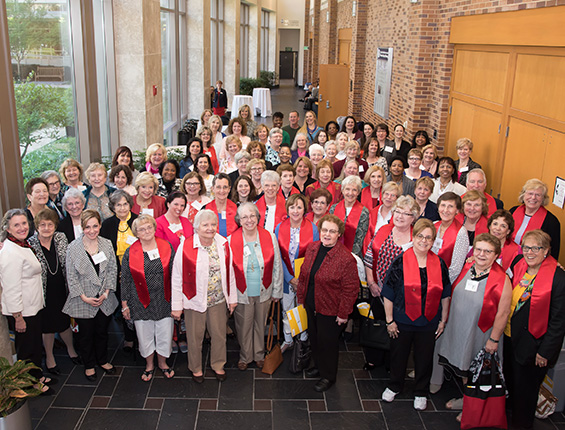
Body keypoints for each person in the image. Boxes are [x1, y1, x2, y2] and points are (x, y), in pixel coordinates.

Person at [436, 233, 512, 422]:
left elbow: (502, 313)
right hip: (460, 330)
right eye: (478, 249)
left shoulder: (502, 280)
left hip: (481, 335)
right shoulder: (468, 267)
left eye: (488, 251)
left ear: (496, 255)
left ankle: (472, 408)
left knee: (475, 373)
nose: (482, 254)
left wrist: (494, 339)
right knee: (463, 370)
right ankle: (466, 398)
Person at [381, 219, 451, 411]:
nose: (424, 241)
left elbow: (445, 294)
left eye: (429, 237)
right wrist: (389, 320)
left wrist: (443, 320)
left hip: (428, 322)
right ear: (414, 237)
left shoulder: (439, 263)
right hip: (402, 320)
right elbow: (388, 292)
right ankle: (394, 385)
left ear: (433, 241)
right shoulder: (400, 261)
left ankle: (421, 391)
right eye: (420, 236)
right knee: (398, 356)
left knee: (424, 358)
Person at [504, 230, 565, 429]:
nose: (529, 252)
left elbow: (558, 321)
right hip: (510, 337)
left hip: (534, 346)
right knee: (512, 385)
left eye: (536, 248)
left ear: (546, 251)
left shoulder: (557, 278)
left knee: (526, 393)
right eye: (526, 247)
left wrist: (545, 352)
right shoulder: (519, 264)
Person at [171, 210, 237, 383]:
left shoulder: (223, 243)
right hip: (194, 300)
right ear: (196, 227)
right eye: (205, 225)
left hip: (217, 300)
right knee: (195, 337)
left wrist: (232, 298)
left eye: (213, 224)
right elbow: (177, 276)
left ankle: (218, 365)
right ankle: (196, 368)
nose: (210, 228)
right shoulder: (186, 246)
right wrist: (177, 305)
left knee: (219, 335)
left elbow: (230, 272)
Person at [297, 215, 360, 392]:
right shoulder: (312, 248)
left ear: (339, 234)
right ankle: (317, 366)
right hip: (311, 305)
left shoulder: (346, 259)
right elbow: (303, 275)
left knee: (328, 344)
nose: (327, 234)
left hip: (331, 309)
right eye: (324, 230)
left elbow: (350, 290)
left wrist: (343, 314)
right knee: (315, 339)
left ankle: (328, 376)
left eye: (332, 231)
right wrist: (301, 298)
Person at [362, 196, 418, 370]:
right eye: (397, 212)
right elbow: (369, 256)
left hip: (403, 296)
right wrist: (371, 282)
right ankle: (374, 358)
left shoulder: (416, 237)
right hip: (378, 289)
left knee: (398, 330)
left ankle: (393, 364)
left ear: (413, 217)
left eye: (405, 213)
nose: (400, 216)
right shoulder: (384, 230)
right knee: (378, 323)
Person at [0, 209, 52, 392]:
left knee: (34, 346)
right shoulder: (10, 252)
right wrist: (18, 317)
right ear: (7, 228)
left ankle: (36, 376)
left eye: (24, 223)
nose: (22, 228)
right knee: (27, 350)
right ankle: (31, 385)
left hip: (32, 307)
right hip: (23, 312)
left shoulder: (21, 244)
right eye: (16, 225)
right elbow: (11, 288)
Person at [63, 210, 119, 381]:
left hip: (104, 297)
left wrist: (107, 291)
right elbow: (70, 276)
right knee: (85, 335)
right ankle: (89, 365)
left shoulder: (107, 244)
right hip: (83, 299)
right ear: (82, 228)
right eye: (87, 227)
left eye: (95, 226)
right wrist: (83, 297)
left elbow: (112, 269)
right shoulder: (73, 247)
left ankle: (102, 360)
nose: (92, 230)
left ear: (100, 225)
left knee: (102, 332)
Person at [121, 215, 176, 381]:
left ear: (154, 228)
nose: (146, 231)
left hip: (164, 299)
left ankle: (163, 363)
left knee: (164, 333)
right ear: (136, 233)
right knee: (144, 335)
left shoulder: (166, 246)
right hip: (139, 300)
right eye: (141, 229)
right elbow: (125, 278)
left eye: (149, 227)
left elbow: (175, 274)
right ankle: (149, 365)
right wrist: (125, 304)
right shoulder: (130, 252)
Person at [229, 203, 283, 369]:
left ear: (257, 217)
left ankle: (259, 354)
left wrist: (276, 290)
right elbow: (229, 271)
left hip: (263, 289)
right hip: (242, 291)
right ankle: (245, 357)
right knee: (243, 325)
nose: (249, 220)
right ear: (239, 220)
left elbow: (277, 266)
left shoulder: (269, 236)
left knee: (260, 323)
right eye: (244, 217)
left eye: (252, 216)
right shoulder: (231, 240)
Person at [28, 209, 79, 375]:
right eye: (42, 225)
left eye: (50, 224)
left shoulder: (60, 238)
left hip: (62, 288)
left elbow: (69, 259)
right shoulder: (30, 244)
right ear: (36, 227)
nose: (46, 228)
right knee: (47, 325)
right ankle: (49, 357)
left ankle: (71, 349)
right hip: (42, 291)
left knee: (64, 321)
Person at [275, 195, 319, 352]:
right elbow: (278, 256)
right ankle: (288, 340)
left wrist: (301, 279)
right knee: (286, 308)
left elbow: (314, 255)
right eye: (292, 207)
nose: (295, 211)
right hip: (287, 278)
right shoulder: (279, 227)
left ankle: (303, 339)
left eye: (299, 207)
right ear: (287, 209)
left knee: (302, 308)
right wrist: (290, 278)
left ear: (304, 210)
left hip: (304, 278)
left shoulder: (312, 228)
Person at [100, 190, 138, 352]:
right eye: (118, 205)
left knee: (138, 303)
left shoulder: (138, 220)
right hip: (116, 270)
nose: (122, 208)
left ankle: (141, 336)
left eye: (125, 204)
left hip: (137, 269)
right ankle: (129, 338)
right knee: (124, 304)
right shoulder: (107, 224)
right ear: (112, 207)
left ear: (130, 204)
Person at [510, 178, 561, 260]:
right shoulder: (513, 211)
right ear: (523, 195)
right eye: (530, 193)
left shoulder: (551, 222)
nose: (533, 197)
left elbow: (553, 252)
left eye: (538, 195)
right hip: (508, 257)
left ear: (543, 199)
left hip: (533, 263)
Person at [432, 192, 469, 283]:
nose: (445, 210)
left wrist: (440, 284)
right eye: (443, 205)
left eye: (450, 206)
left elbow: (456, 269)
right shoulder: (433, 225)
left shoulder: (461, 232)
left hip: (445, 282)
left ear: (457, 210)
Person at [329, 175, 369, 257]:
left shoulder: (364, 212)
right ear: (342, 190)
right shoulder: (333, 209)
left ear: (358, 192)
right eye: (347, 189)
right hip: (332, 253)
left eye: (354, 190)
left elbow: (360, 240)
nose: (350, 193)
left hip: (353, 256)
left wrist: (348, 257)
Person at [363, 183, 400, 251]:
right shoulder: (372, 213)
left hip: (389, 253)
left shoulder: (398, 217)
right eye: (386, 194)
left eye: (393, 195)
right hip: (369, 252)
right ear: (382, 195)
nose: (389, 197)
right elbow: (366, 237)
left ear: (397, 199)